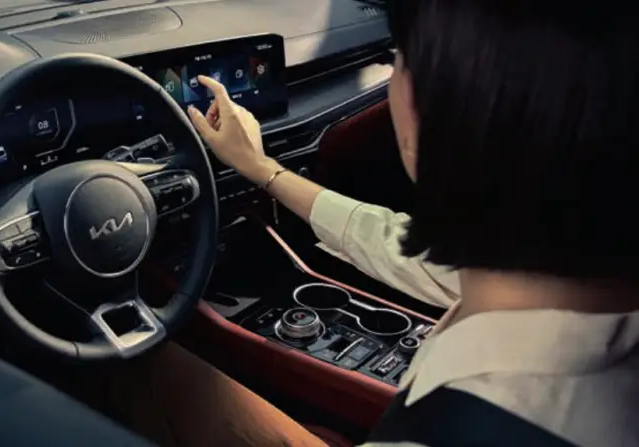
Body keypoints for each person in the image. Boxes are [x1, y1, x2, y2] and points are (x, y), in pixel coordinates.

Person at [78, 1, 639, 445]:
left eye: (399, 59)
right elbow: (399, 245)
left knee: (135, 370)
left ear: (435, 110)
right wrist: (263, 170)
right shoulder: (541, 265)